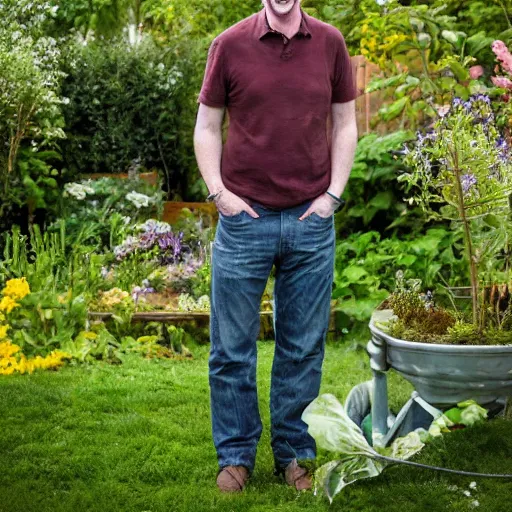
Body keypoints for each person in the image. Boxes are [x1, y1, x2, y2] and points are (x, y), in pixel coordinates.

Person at [193, 0, 358, 493]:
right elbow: (207, 126)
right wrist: (219, 195)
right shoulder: (229, 45)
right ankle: (236, 456)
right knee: (231, 350)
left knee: (303, 348)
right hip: (246, 221)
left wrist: (332, 197)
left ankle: (294, 454)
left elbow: (345, 122)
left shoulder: (330, 43)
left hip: (311, 220)